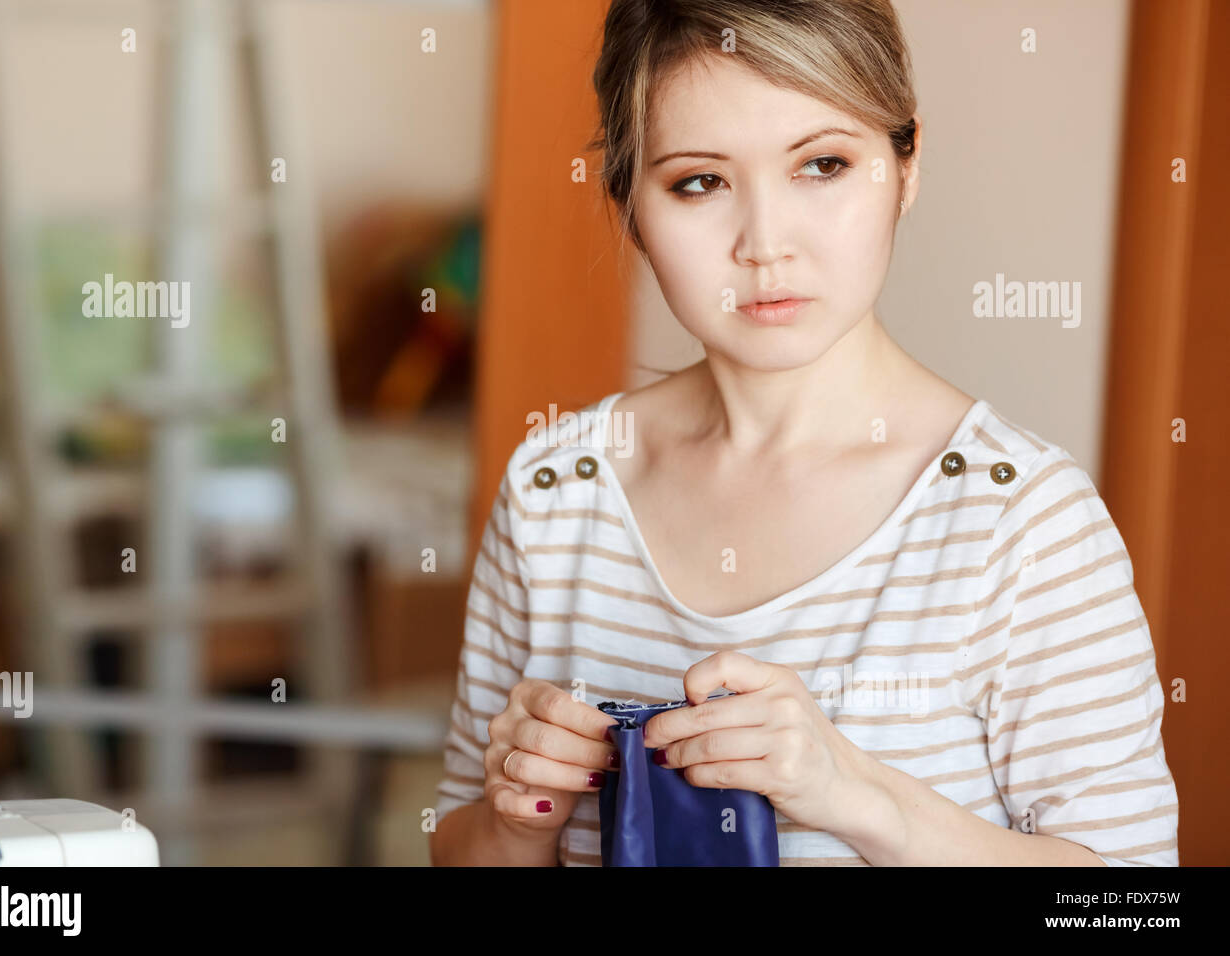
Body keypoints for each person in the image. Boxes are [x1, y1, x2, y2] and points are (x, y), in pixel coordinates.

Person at [429, 0, 1178, 866]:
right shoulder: (554, 490)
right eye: (699, 182)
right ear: (631, 204)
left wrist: (854, 792)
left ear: (906, 166)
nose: (765, 243)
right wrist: (519, 822)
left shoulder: (1023, 524)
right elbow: (461, 842)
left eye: (822, 164)